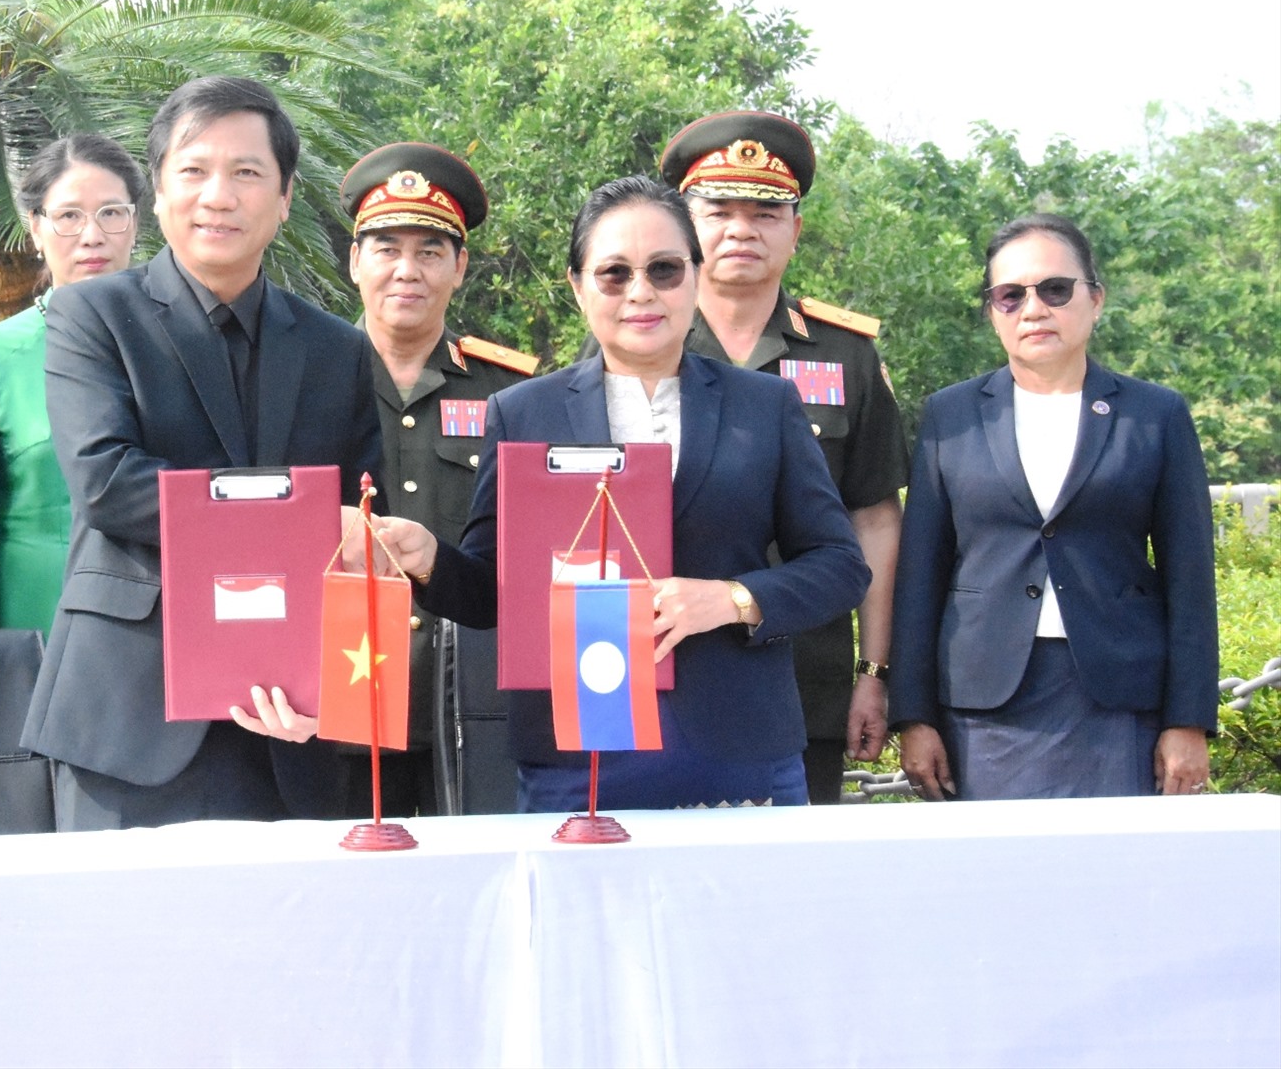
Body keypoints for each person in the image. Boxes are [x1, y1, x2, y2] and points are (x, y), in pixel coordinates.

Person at [370, 176, 869, 811]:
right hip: (577, 753)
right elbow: (494, 594)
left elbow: (840, 566)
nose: (641, 293)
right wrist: (428, 558)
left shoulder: (764, 406)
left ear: (695, 275)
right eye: (614, 274)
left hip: (736, 742)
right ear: (578, 286)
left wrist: (734, 598)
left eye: (664, 270)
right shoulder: (523, 412)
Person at [22, 76, 383, 829]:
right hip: (130, 717)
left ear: (284, 199)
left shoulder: (336, 350)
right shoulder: (93, 317)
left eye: (247, 173)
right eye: (193, 170)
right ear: (157, 193)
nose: (218, 195)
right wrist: (298, 514)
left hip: (292, 719)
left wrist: (341, 696)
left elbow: (364, 518)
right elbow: (109, 483)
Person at [889, 214, 1216, 800]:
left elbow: (1191, 579)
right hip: (984, 701)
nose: (1033, 310)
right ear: (992, 312)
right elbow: (920, 575)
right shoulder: (951, 415)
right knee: (997, 883)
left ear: (1095, 299)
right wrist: (913, 715)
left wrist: (1188, 720)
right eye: (1010, 296)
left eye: (1055, 290)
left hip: (1117, 699)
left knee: (1113, 881)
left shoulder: (1155, 416)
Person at [664, 110, 907, 805]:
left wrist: (876, 670)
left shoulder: (846, 356)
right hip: (669, 670)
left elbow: (877, 521)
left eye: (766, 213)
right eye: (719, 210)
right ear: (685, 226)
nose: (742, 229)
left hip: (810, 674)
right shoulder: (638, 344)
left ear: (795, 231)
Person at [337, 142, 536, 816]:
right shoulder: (304, 381)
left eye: (429, 251)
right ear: (355, 260)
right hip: (339, 702)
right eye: (387, 248)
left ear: (460, 267)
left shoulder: (511, 393)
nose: (406, 270)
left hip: (472, 702)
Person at [0, 135, 146, 632]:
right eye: (69, 217)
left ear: (136, 222)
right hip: (30, 613)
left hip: (158, 617)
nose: (92, 236)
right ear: (35, 228)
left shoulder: (181, 343)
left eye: (111, 213)